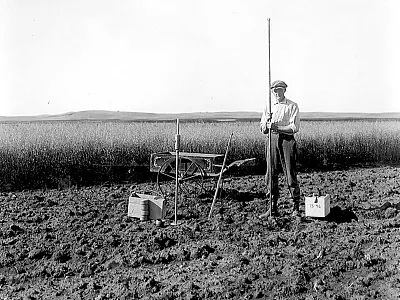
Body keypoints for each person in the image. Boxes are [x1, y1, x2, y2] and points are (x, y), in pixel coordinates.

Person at [259, 80, 301, 218]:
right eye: (274, 90)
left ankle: (295, 207)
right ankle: (272, 207)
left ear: (285, 90)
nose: (277, 92)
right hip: (271, 139)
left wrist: (277, 127)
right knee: (270, 174)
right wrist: (267, 123)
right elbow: (263, 129)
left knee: (290, 173)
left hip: (287, 140)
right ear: (272, 92)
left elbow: (294, 128)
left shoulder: (292, 106)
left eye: (280, 89)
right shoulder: (269, 107)